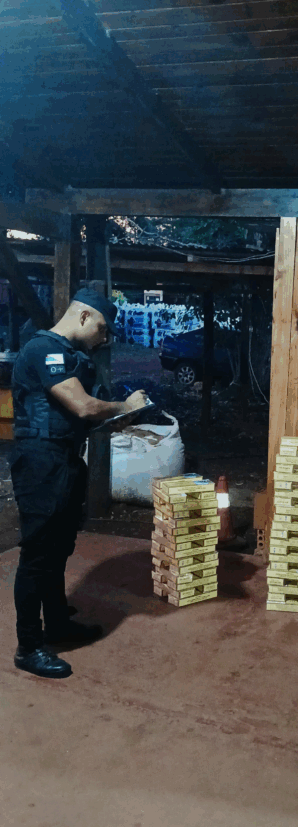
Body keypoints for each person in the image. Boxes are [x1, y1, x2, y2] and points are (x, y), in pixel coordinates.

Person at [10, 289, 149, 680]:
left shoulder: (68, 355)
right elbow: (83, 406)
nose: (104, 338)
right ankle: (28, 647)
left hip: (64, 460)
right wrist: (126, 406)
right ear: (84, 316)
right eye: (102, 329)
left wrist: (117, 419)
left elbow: (78, 417)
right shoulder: (44, 350)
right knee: (38, 555)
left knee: (57, 550)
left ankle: (56, 624)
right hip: (41, 463)